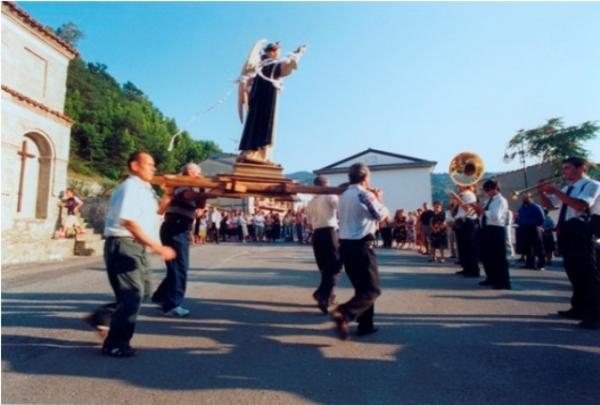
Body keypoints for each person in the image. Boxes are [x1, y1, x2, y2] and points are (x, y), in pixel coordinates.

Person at [85, 151, 176, 358]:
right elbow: (129, 222)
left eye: (154, 165)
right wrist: (158, 247)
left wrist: (169, 193)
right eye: (149, 165)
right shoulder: (131, 188)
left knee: (142, 292)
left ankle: (103, 316)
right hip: (124, 244)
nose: (153, 168)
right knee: (132, 295)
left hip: (136, 246)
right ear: (135, 166)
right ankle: (115, 344)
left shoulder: (146, 189)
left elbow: (158, 212)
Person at [539, 157, 600, 329]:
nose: (564, 171)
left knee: (588, 273)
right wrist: (543, 193)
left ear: (582, 168)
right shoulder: (568, 188)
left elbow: (580, 205)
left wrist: (556, 192)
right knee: (574, 272)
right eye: (563, 168)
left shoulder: (592, 185)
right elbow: (551, 206)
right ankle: (578, 308)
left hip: (584, 230)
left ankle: (595, 315)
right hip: (568, 231)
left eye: (567, 168)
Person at [330, 163, 390, 340]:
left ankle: (365, 325)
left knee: (361, 288)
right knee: (372, 290)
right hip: (361, 246)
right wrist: (379, 198)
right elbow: (381, 215)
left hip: (346, 245)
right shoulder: (365, 194)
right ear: (365, 178)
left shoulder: (344, 195)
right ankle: (344, 312)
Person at [152, 162, 206, 317]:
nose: (199, 175)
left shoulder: (194, 187)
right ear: (189, 172)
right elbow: (186, 196)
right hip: (174, 226)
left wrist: (203, 189)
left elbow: (200, 205)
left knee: (175, 267)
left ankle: (161, 297)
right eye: (198, 173)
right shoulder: (181, 181)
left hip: (180, 228)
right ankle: (172, 305)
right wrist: (208, 193)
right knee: (180, 267)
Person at [238, 42, 303, 164]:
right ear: (272, 52)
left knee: (254, 124)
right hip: (265, 99)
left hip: (258, 99)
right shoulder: (268, 64)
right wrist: (296, 55)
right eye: (278, 52)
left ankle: (252, 150)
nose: (279, 55)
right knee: (263, 124)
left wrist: (295, 53)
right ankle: (258, 152)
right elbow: (283, 69)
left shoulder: (260, 65)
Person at [305, 175, 343, 314]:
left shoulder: (310, 202)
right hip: (330, 232)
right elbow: (341, 209)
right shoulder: (330, 196)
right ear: (326, 185)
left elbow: (308, 221)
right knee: (334, 267)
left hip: (317, 234)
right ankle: (322, 294)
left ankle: (329, 296)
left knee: (324, 268)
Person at [472, 179, 511, 289]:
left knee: (498, 256)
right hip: (486, 229)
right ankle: (491, 277)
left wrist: (482, 211)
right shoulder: (489, 201)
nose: (487, 192)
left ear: (495, 189)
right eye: (486, 190)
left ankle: (503, 281)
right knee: (487, 256)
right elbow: (483, 215)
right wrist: (478, 210)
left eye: (488, 190)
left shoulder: (501, 200)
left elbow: (495, 216)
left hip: (496, 229)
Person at [452, 185, 481, 278]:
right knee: (462, 247)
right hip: (461, 221)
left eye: (460, 184)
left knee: (469, 246)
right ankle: (466, 268)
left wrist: (457, 198)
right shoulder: (463, 195)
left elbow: (467, 209)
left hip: (468, 221)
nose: (458, 186)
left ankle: (473, 270)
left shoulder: (470, 194)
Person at [516, 193, 546, 270]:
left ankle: (541, 265)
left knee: (538, 247)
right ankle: (530, 264)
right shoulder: (521, 208)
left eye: (526, 197)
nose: (524, 199)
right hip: (524, 229)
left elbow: (542, 218)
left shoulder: (536, 207)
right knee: (528, 247)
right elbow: (519, 217)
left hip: (533, 228)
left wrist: (538, 226)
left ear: (531, 198)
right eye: (523, 197)